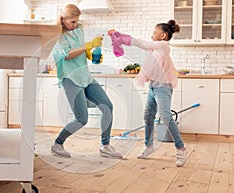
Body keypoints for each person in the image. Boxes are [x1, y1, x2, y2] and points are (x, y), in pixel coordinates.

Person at [109, 20, 186, 167]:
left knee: (165, 116)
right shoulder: (155, 49)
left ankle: (181, 148)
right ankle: (148, 146)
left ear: (163, 36)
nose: (152, 35)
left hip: (163, 88)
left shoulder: (163, 46)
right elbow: (144, 51)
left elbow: (140, 43)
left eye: (154, 33)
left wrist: (120, 37)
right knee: (148, 116)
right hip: (153, 86)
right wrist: (119, 38)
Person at [50, 3, 122, 159]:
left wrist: (90, 54)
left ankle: (105, 146)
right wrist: (89, 46)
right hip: (70, 78)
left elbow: (80, 49)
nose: (75, 24)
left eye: (76, 21)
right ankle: (57, 144)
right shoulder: (56, 34)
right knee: (82, 119)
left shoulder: (79, 28)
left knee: (107, 106)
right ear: (63, 19)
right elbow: (66, 55)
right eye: (72, 22)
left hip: (85, 75)